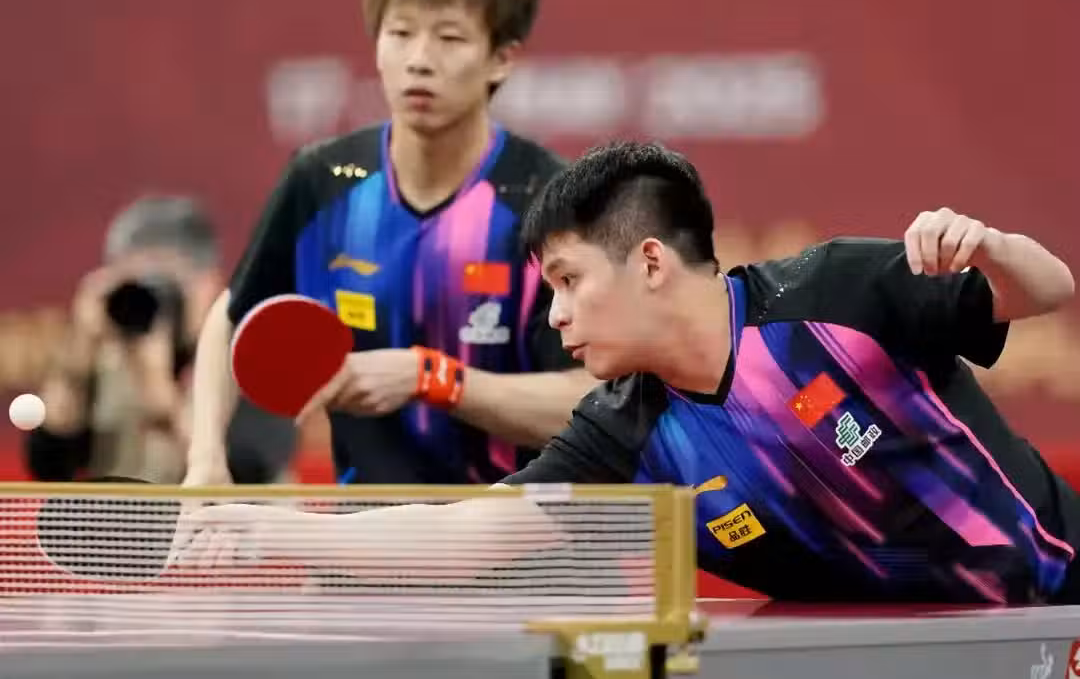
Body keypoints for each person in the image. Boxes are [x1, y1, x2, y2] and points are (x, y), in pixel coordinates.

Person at [178, 141, 1080, 605]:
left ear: (650, 262)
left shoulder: (837, 292)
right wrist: (269, 530)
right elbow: (466, 535)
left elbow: (1048, 289)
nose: (554, 314)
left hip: (1059, 599)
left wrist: (989, 247)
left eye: (569, 282)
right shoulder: (624, 429)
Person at [183, 0, 595, 488]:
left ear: (501, 59)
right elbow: (232, 318)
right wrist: (206, 460)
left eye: (450, 38)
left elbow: (589, 401)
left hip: (517, 531)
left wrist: (432, 378)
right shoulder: (323, 181)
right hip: (364, 531)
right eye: (400, 33)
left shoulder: (549, 198)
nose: (419, 60)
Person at [30, 196, 296, 484]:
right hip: (131, 514)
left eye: (169, 284)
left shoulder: (250, 360)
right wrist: (79, 350)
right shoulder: (111, 359)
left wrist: (162, 397)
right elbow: (49, 464)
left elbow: (248, 469)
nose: (160, 302)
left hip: (236, 514)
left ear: (209, 283)